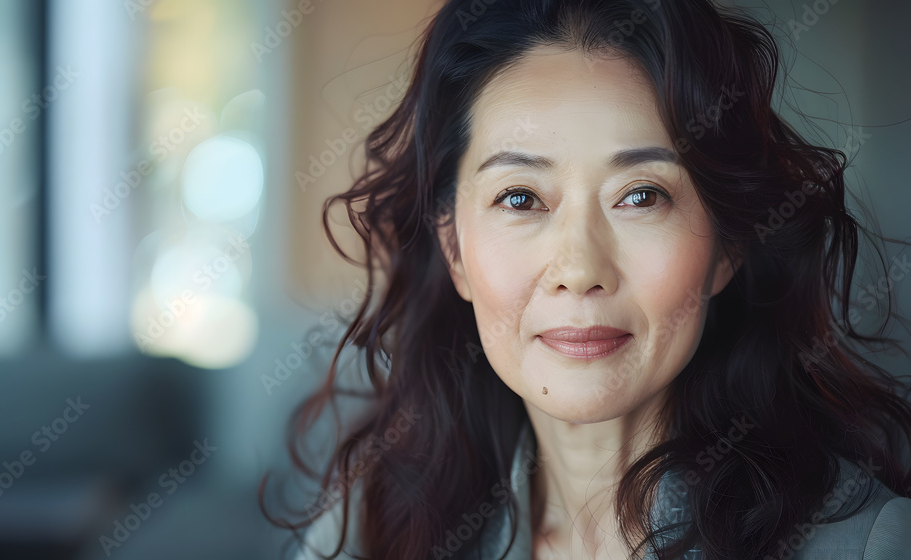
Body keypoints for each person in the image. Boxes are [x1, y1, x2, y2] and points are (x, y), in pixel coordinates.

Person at [260, 0, 911, 558]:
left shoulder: (869, 542)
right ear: (454, 250)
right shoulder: (368, 531)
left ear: (727, 246)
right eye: (520, 198)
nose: (579, 271)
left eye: (642, 196)